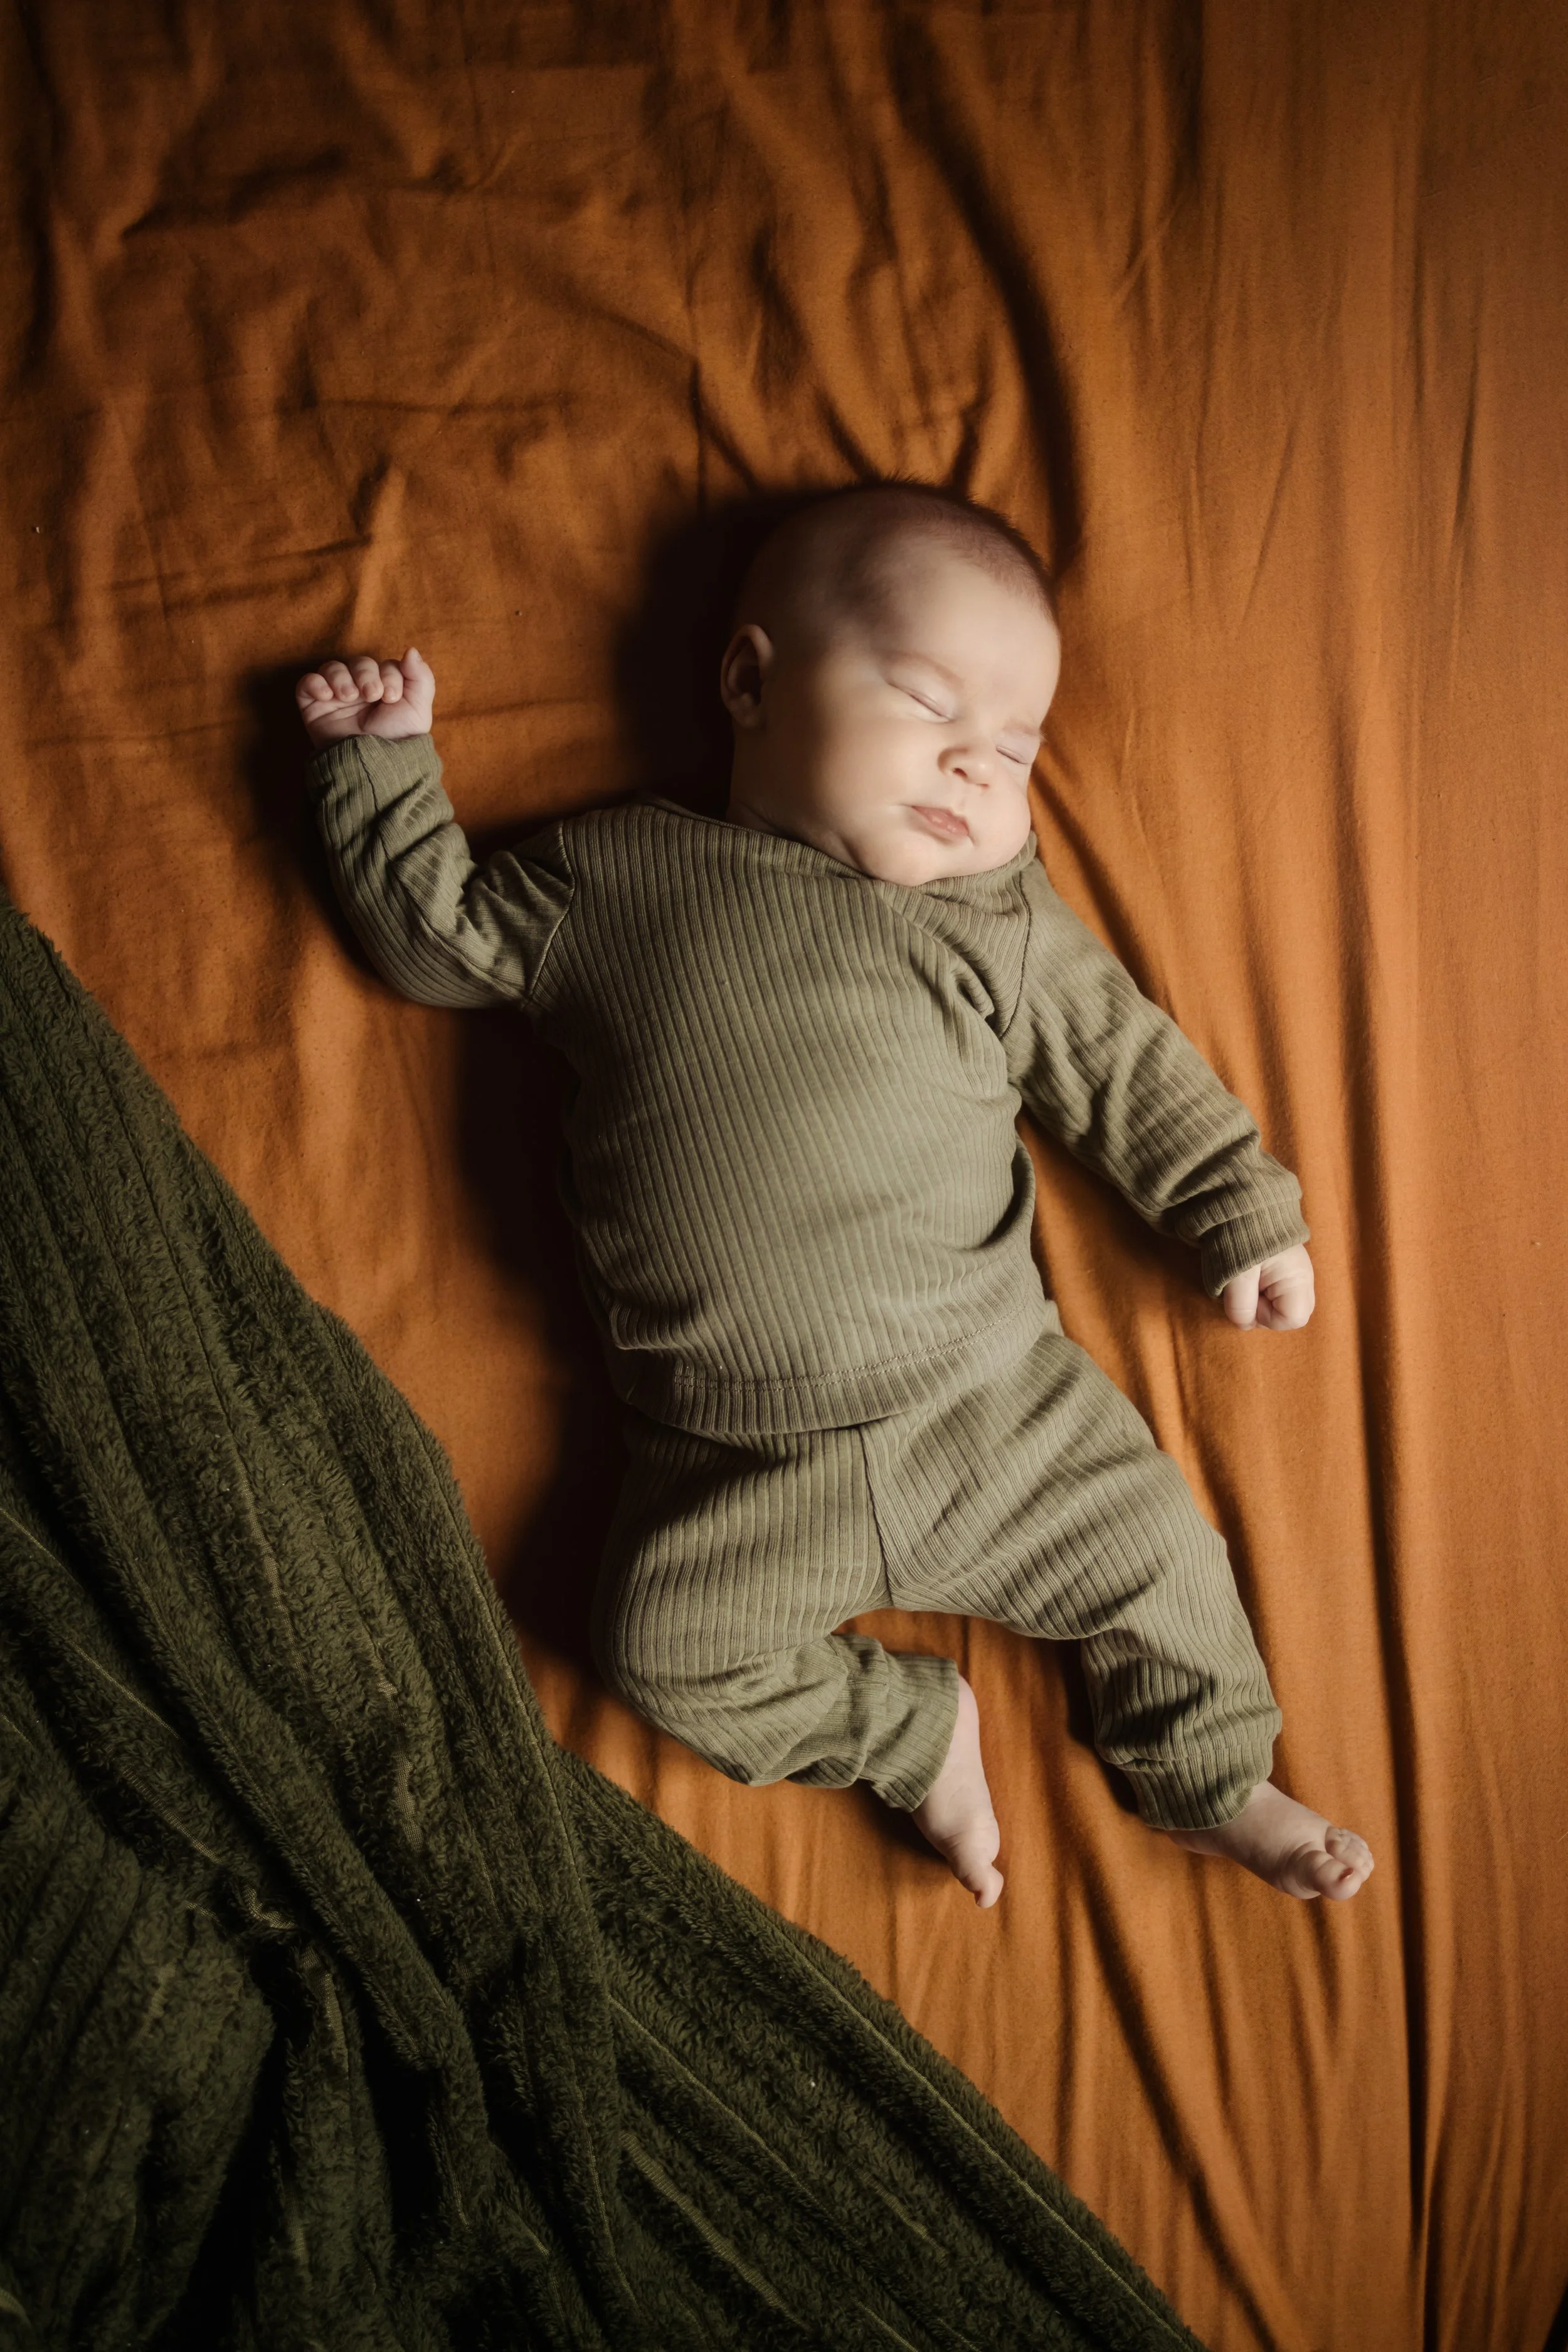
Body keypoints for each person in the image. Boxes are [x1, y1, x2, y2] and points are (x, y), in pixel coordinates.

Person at [298, 482, 1374, 1912]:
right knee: (658, 1643)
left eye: (1012, 749)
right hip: (741, 1462)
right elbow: (432, 940)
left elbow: (1118, 1056)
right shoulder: (610, 879)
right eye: (927, 705)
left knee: (1162, 1562)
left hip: (994, 1403)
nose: (973, 766)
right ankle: (904, 1733)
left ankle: (1208, 1781)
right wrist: (379, 768)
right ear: (749, 679)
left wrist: (1236, 1206)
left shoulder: (993, 917)